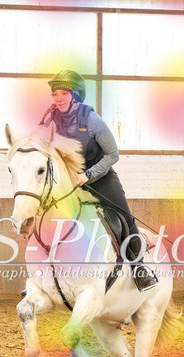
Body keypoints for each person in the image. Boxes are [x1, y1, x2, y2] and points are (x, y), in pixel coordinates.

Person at [40, 70, 158, 291]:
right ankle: (43, 278)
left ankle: (139, 268)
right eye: (55, 94)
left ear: (75, 95)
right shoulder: (51, 121)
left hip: (101, 180)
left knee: (125, 217)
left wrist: (88, 175)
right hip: (68, 184)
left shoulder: (92, 120)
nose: (59, 98)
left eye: (64, 93)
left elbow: (113, 154)